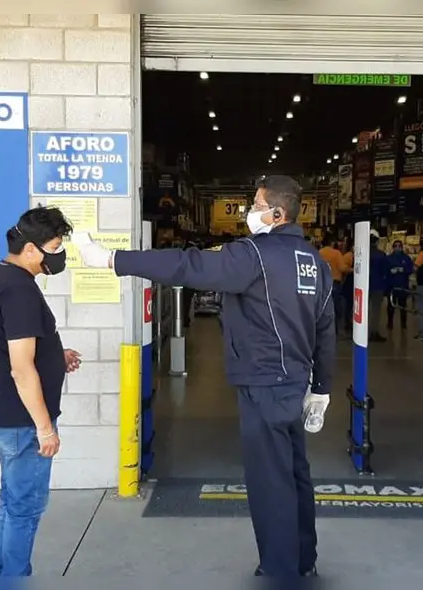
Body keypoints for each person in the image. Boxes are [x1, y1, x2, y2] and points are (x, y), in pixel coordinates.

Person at [77, 175, 335, 579]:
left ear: (277, 214)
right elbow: (325, 328)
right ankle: (304, 559)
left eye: (256, 203)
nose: (250, 211)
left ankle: (281, 571)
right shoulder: (315, 262)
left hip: (263, 383)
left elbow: (188, 264)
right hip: (296, 383)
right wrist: (321, 388)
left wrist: (112, 259)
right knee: (295, 473)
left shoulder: (253, 255)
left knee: (270, 482)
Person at [0, 206, 83, 578]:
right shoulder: (19, 289)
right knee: (24, 508)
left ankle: (6, 575)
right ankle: (13, 578)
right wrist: (45, 428)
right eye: (54, 246)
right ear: (32, 249)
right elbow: (21, 368)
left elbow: (15, 346)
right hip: (23, 423)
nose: (59, 254)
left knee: (11, 503)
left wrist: (56, 355)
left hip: (5, 414)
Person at [319, 233, 350, 335]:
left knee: (324, 307)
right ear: (332, 242)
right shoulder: (336, 253)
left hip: (322, 282)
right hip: (334, 282)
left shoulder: (319, 252)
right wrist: (352, 270)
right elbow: (342, 268)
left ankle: (324, 329)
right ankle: (334, 329)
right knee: (336, 308)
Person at [386, 240, 414, 331]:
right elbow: (384, 270)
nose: (397, 248)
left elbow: (410, 269)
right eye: (395, 246)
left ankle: (403, 323)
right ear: (393, 247)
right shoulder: (389, 258)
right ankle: (390, 322)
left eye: (399, 246)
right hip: (391, 286)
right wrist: (390, 271)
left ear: (402, 247)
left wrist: (404, 270)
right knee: (391, 305)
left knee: (403, 306)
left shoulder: (406, 258)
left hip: (403, 286)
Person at [368, 233, 389, 342]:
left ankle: (363, 332)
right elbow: (385, 272)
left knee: (365, 310)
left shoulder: (362, 254)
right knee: (376, 310)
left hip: (364, 285)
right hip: (378, 285)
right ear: (377, 242)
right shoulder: (381, 255)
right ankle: (374, 332)